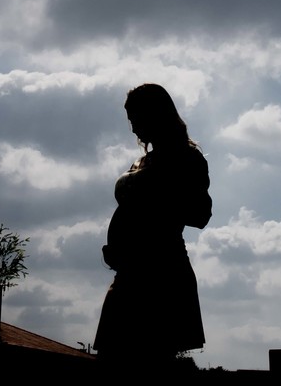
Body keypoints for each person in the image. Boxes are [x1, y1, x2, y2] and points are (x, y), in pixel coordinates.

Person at [94, 83, 211, 369]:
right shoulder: (141, 161)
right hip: (128, 273)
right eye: (130, 121)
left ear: (155, 115)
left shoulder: (186, 158)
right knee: (112, 359)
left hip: (161, 274)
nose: (133, 128)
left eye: (136, 119)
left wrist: (157, 201)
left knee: (149, 363)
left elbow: (200, 214)